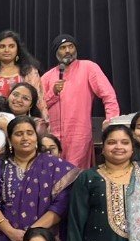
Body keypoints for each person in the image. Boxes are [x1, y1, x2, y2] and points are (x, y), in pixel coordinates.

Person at [0, 116, 79, 241]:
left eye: (29, 133)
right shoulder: (0, 165)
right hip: (8, 240)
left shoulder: (53, 165)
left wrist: (32, 234)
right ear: (10, 139)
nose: (25, 138)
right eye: (19, 134)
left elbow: (61, 206)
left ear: (36, 137)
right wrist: (11, 232)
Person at [41, 34, 120, 168]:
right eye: (63, 48)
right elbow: (39, 107)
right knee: (52, 173)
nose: (68, 51)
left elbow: (108, 95)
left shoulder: (88, 67)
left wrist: (111, 121)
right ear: (56, 52)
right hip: (53, 136)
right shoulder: (47, 77)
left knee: (74, 172)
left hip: (79, 134)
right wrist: (53, 93)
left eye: (71, 46)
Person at [0, 30, 42, 118]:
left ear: (17, 50)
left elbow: (39, 101)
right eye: (2, 46)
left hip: (24, 122)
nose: (7, 50)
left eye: (11, 46)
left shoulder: (29, 72)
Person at [0, 82, 50, 159]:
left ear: (31, 105)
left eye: (25, 98)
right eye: (15, 95)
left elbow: (32, 150)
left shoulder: (37, 124)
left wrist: (6, 126)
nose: (18, 100)